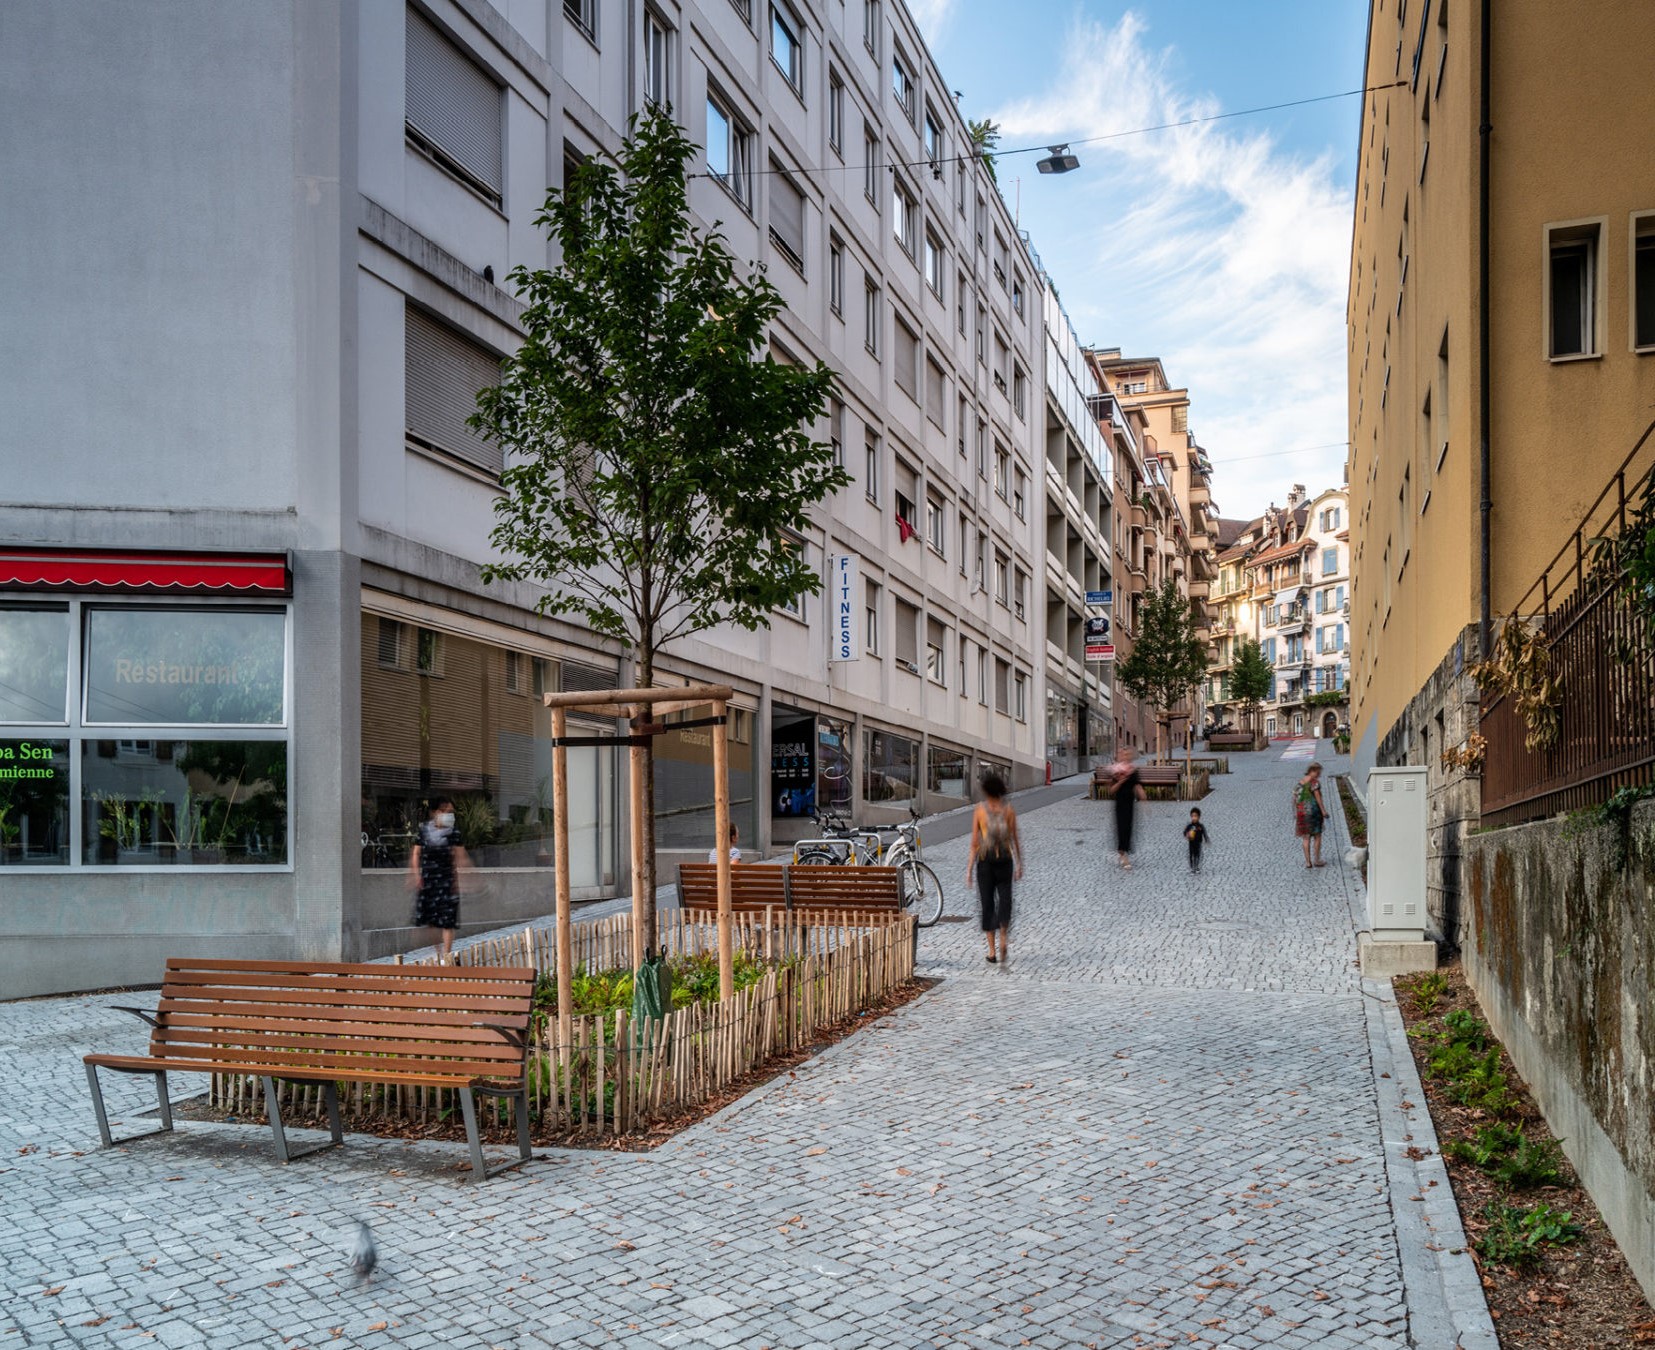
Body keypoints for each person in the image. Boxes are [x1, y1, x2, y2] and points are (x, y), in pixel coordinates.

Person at [966, 772, 1022, 964]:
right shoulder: (1009, 810)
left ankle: (992, 952)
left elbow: (975, 842)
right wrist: (1019, 863)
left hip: (985, 862)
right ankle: (1003, 939)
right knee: (1005, 900)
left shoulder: (980, 810)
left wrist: (969, 869)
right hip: (1006, 861)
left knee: (987, 903)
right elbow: (1015, 839)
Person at [409, 797, 468, 963]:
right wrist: (416, 875)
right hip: (428, 880)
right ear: (436, 812)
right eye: (446, 812)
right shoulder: (424, 831)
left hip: (448, 880)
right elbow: (416, 853)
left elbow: (460, 856)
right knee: (432, 922)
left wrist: (462, 877)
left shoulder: (454, 833)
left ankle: (447, 955)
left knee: (448, 920)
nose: (449, 816)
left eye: (451, 813)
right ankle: (439, 952)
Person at [1110, 744, 1144, 870]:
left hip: (1130, 803)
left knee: (1129, 828)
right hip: (1120, 803)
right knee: (1122, 827)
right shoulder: (1116, 771)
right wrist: (1121, 780)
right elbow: (1112, 790)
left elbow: (1137, 784)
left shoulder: (1133, 770)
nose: (1127, 757)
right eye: (1125, 755)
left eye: (1129, 755)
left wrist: (1142, 795)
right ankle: (1123, 855)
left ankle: (1123, 852)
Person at [1294, 762, 1328, 867]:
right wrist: (1323, 811)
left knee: (1305, 837)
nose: (1319, 775)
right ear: (1312, 771)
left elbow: (1295, 799)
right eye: (1318, 773)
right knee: (1317, 836)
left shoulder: (1299, 784)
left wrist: (1296, 812)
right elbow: (1318, 797)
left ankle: (1308, 862)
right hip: (1313, 813)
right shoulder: (1314, 783)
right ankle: (1317, 860)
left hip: (1301, 813)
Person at [1184, 807, 1210, 873]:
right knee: (1191, 855)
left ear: (1199, 817)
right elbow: (1185, 832)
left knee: (1198, 855)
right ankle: (1192, 868)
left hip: (1198, 843)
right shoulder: (1189, 825)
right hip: (1191, 843)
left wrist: (1206, 839)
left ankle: (1197, 867)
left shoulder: (1201, 826)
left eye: (1195, 816)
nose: (1193, 818)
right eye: (1192, 816)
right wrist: (1187, 834)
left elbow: (1204, 833)